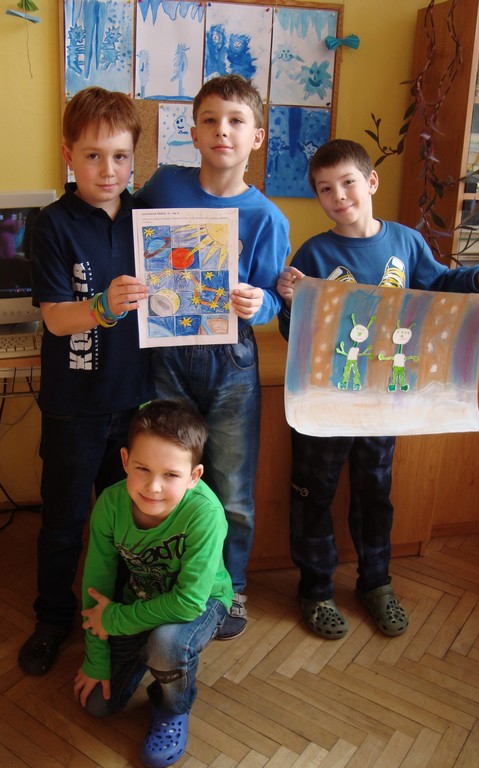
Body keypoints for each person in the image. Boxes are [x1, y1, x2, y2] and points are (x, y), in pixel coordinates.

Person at [277, 138, 479, 640]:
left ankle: (376, 583)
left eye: (348, 182)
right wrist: (289, 303)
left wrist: (476, 277)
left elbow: (439, 284)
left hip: (383, 401)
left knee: (375, 493)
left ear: (371, 181)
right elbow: (296, 334)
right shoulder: (313, 253)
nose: (339, 196)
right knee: (314, 494)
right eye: (325, 189)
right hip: (324, 401)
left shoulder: (406, 242)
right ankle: (315, 589)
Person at [135, 74, 291, 639]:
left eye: (236, 121)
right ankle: (171, 580)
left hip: (232, 363)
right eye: (210, 120)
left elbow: (274, 297)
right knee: (168, 475)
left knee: (232, 488)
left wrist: (261, 302)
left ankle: (232, 586)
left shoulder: (267, 217)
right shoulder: (164, 185)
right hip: (167, 353)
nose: (222, 130)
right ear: (194, 132)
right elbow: (129, 235)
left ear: (256, 137)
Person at [19, 87, 153, 676]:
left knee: (125, 523)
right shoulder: (52, 224)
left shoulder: (148, 219)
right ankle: (52, 619)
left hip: (134, 404)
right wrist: (103, 307)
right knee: (64, 523)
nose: (108, 169)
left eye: (120, 156)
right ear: (68, 155)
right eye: (93, 156)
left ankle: (116, 616)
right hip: (73, 407)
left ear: (134, 158)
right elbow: (55, 318)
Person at [73, 399, 233, 768]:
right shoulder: (110, 505)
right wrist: (96, 660)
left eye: (171, 475)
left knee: (166, 643)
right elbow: (95, 586)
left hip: (203, 602)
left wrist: (114, 620)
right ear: (125, 460)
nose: (154, 487)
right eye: (142, 469)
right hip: (142, 598)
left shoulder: (206, 514)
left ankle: (172, 706)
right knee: (97, 705)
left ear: (194, 477)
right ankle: (152, 658)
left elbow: (188, 603)